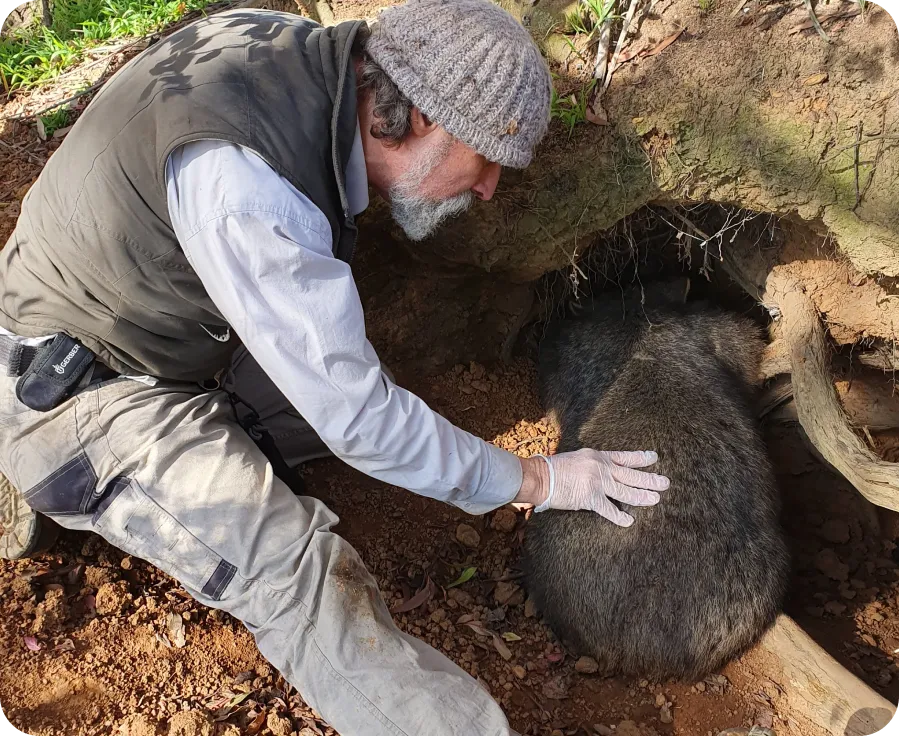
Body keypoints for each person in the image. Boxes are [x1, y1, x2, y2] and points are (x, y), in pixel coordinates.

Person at [0, 1, 670, 733]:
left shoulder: (294, 54)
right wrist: (539, 480)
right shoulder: (249, 189)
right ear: (419, 120)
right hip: (83, 388)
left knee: (354, 394)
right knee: (299, 580)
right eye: (485, 163)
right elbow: (364, 424)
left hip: (157, 320)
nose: (487, 191)